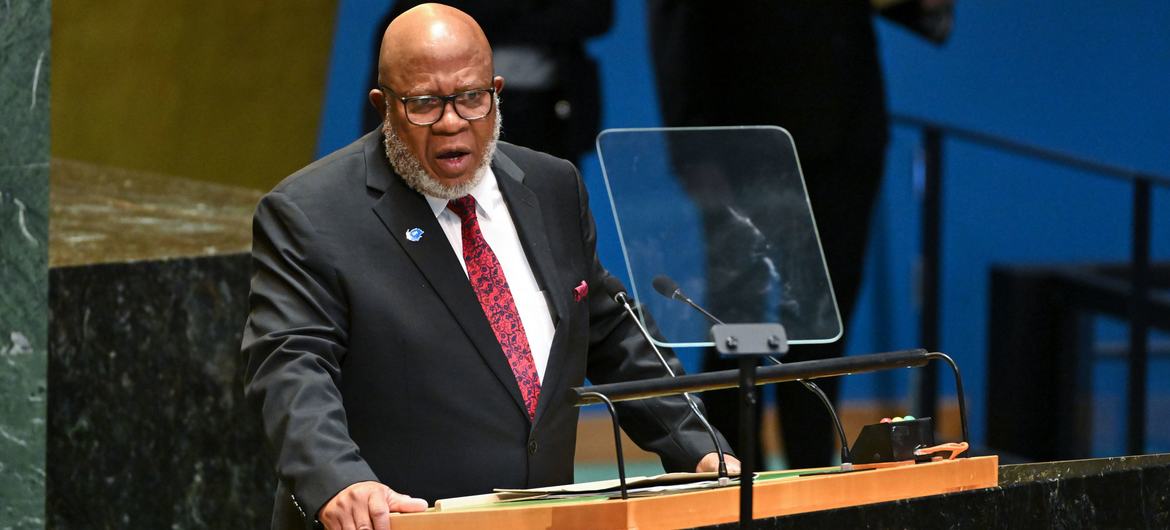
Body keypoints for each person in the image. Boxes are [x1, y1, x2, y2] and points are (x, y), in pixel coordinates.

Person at [242, 5, 736, 530]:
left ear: (496, 92)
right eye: (425, 103)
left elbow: (611, 330)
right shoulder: (312, 212)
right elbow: (291, 363)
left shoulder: (550, 186)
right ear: (383, 105)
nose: (452, 122)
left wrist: (699, 446)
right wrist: (337, 479)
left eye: (471, 98)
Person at [647, 1, 892, 470]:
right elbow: (676, 21)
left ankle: (815, 471)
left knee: (825, 321)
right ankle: (734, 470)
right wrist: (691, 146)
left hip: (847, 134)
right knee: (736, 317)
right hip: (741, 140)